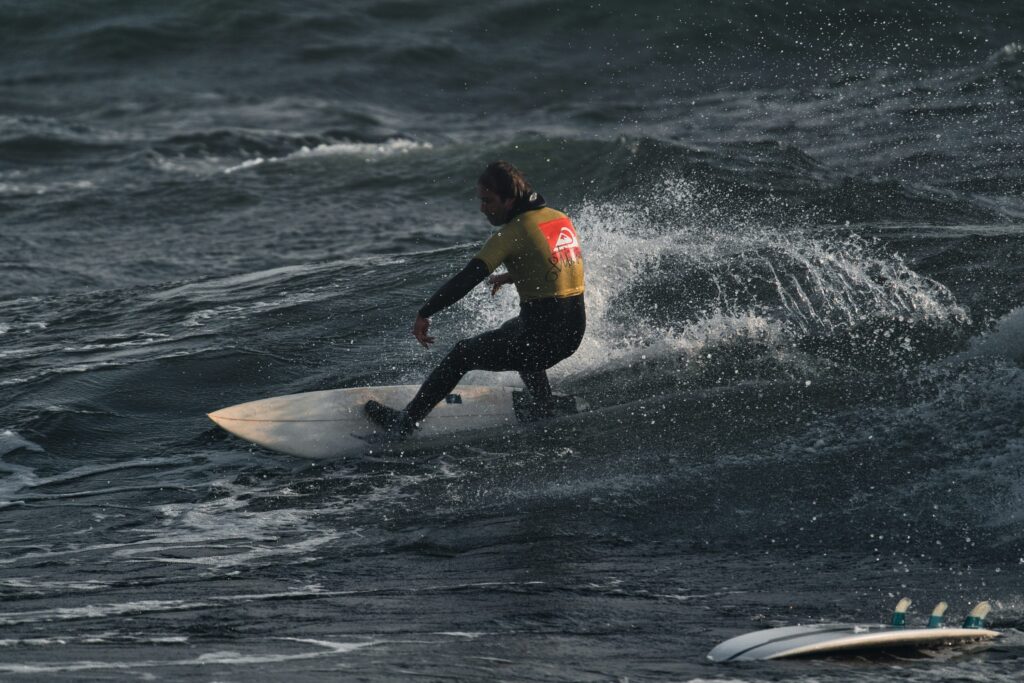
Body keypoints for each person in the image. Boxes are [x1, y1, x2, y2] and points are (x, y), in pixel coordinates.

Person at [364, 160, 586, 438]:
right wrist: (513, 276)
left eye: (488, 201)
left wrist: (425, 312)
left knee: (462, 354)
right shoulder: (558, 218)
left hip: (543, 340)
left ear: (508, 199)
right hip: (572, 332)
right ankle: (545, 406)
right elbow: (558, 263)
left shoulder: (511, 234)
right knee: (514, 331)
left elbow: (466, 280)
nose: (483, 208)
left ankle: (405, 422)